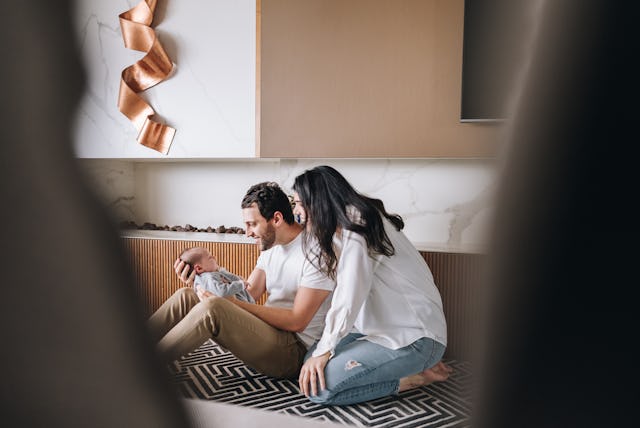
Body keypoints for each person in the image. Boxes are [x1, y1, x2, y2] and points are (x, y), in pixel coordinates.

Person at [293, 165, 452, 405]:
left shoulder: (360, 223)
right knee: (309, 364)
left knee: (318, 388)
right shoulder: (343, 227)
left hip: (415, 336)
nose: (295, 210)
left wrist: (326, 351)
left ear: (316, 201)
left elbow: (349, 292)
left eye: (297, 203)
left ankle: (412, 378)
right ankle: (403, 367)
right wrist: (322, 351)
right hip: (373, 330)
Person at [148, 182, 335, 379]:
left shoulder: (316, 253)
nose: (247, 233)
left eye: (252, 224)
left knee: (213, 308)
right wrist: (201, 282)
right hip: (267, 333)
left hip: (292, 350)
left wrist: (228, 303)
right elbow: (250, 292)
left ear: (277, 219)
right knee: (187, 296)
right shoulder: (272, 246)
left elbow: (298, 321)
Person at [179, 246, 255, 303]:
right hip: (239, 309)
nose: (214, 257)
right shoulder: (209, 277)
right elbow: (221, 292)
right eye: (210, 257)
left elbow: (226, 276)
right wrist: (241, 284)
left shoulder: (210, 275)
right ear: (199, 268)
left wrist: (238, 279)